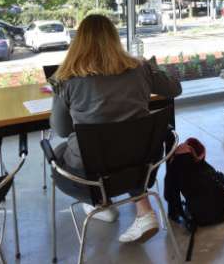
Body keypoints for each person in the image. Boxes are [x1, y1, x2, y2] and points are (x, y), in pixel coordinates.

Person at [49, 14, 182, 243]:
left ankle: (101, 204)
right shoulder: (141, 69)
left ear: (78, 43)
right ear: (114, 39)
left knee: (62, 152)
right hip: (141, 164)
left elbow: (61, 130)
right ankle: (143, 211)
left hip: (90, 178)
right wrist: (151, 66)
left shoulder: (66, 80)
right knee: (125, 146)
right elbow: (174, 89)